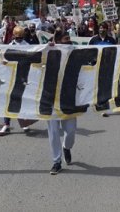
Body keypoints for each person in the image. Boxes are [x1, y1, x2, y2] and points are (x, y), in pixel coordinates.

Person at [47, 32, 77, 175]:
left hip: (69, 98)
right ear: (58, 41)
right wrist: (46, 49)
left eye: (69, 39)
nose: (69, 41)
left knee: (70, 130)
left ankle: (67, 147)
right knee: (53, 132)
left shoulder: (75, 53)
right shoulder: (48, 52)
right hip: (51, 98)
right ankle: (56, 161)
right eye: (66, 39)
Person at [89, 22, 117, 117]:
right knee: (97, 86)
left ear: (107, 29)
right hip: (96, 66)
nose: (102, 29)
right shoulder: (93, 40)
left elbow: (116, 52)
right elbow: (89, 52)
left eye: (104, 28)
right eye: (100, 28)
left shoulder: (112, 40)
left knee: (106, 87)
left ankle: (105, 106)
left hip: (107, 66)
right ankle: (97, 103)